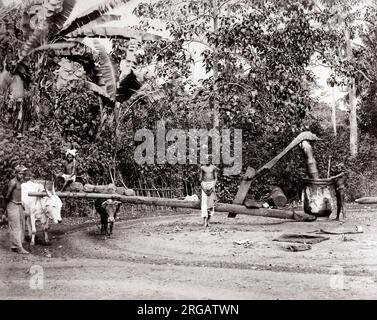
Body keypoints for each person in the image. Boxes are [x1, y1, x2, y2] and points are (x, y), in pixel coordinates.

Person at [1, 165, 29, 254]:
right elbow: (7, 196)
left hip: (18, 204)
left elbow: (18, 194)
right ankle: (18, 247)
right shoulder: (13, 182)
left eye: (23, 174)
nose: (22, 176)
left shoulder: (19, 182)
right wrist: (5, 210)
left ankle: (15, 246)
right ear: (16, 173)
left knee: (21, 225)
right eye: (20, 174)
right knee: (15, 226)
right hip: (12, 205)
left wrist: (21, 203)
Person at [199, 156, 218, 227]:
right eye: (206, 159)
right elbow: (200, 179)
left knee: (211, 204)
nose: (207, 161)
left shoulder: (214, 167)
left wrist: (212, 188)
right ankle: (204, 222)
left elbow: (215, 178)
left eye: (209, 159)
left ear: (211, 160)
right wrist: (204, 189)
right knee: (204, 204)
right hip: (204, 185)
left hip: (211, 184)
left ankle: (208, 221)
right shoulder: (202, 168)